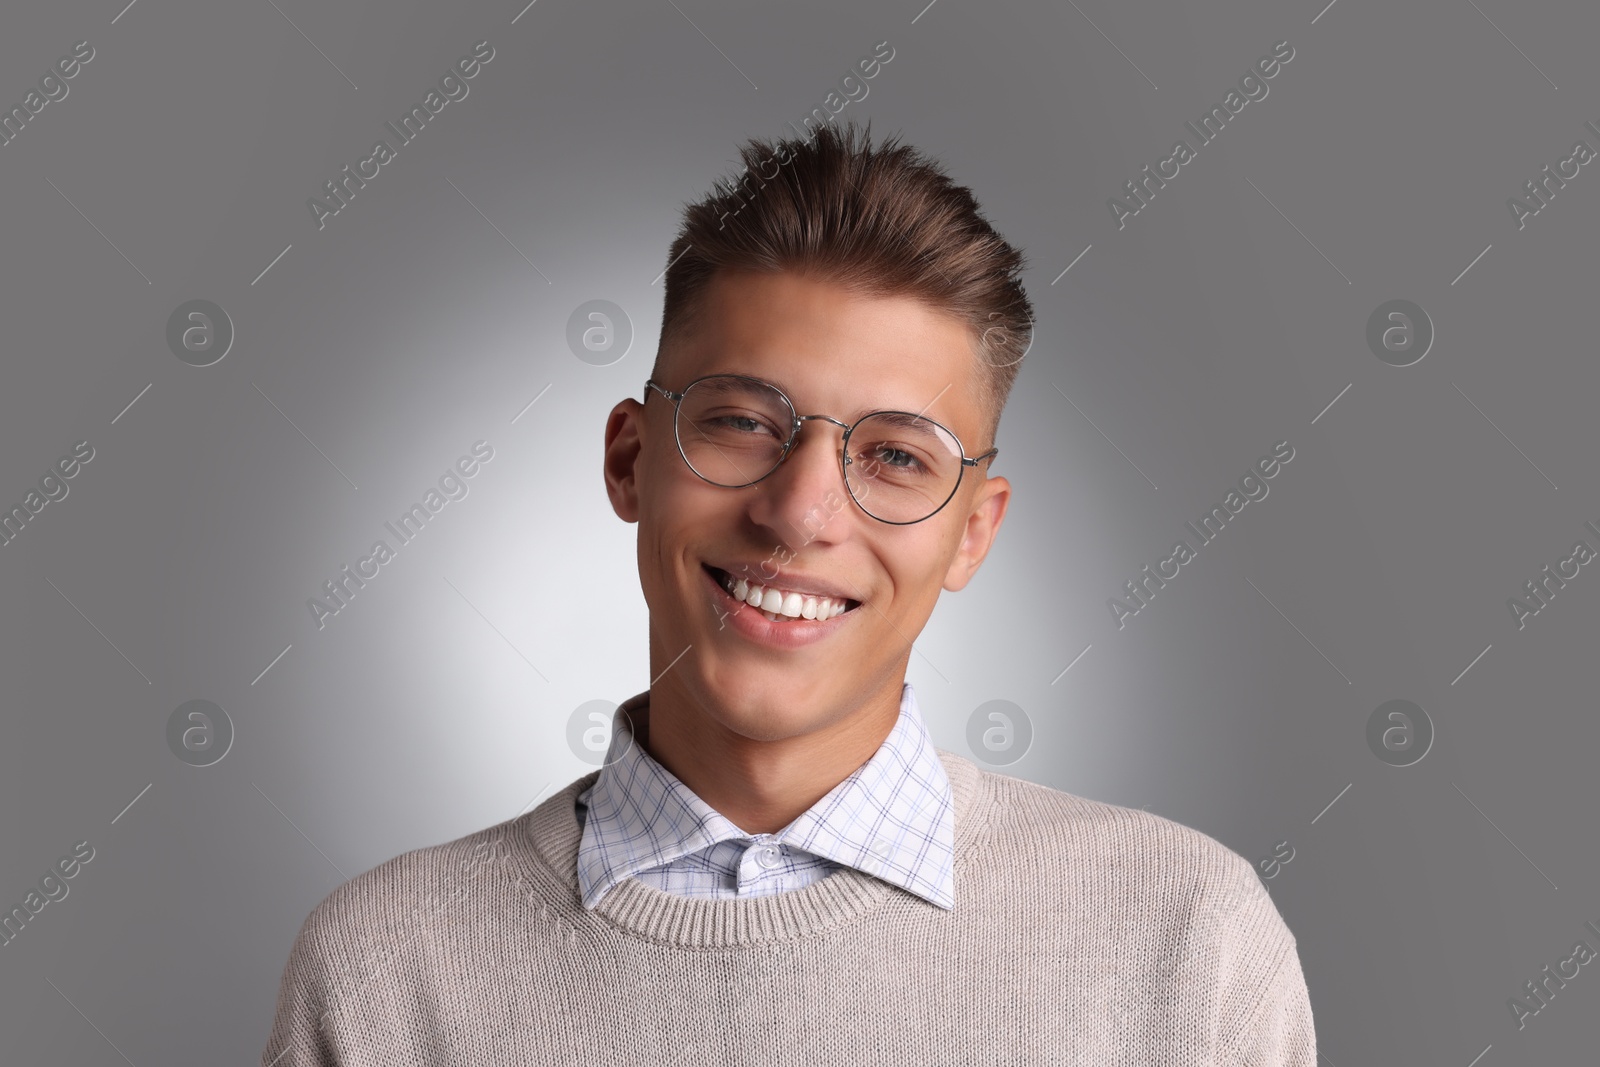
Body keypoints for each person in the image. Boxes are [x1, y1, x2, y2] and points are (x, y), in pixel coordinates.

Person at [260, 119, 1316, 1065]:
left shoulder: (1190, 939)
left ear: (971, 531)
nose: (801, 512)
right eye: (742, 422)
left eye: (897, 456)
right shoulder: (382, 970)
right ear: (632, 459)